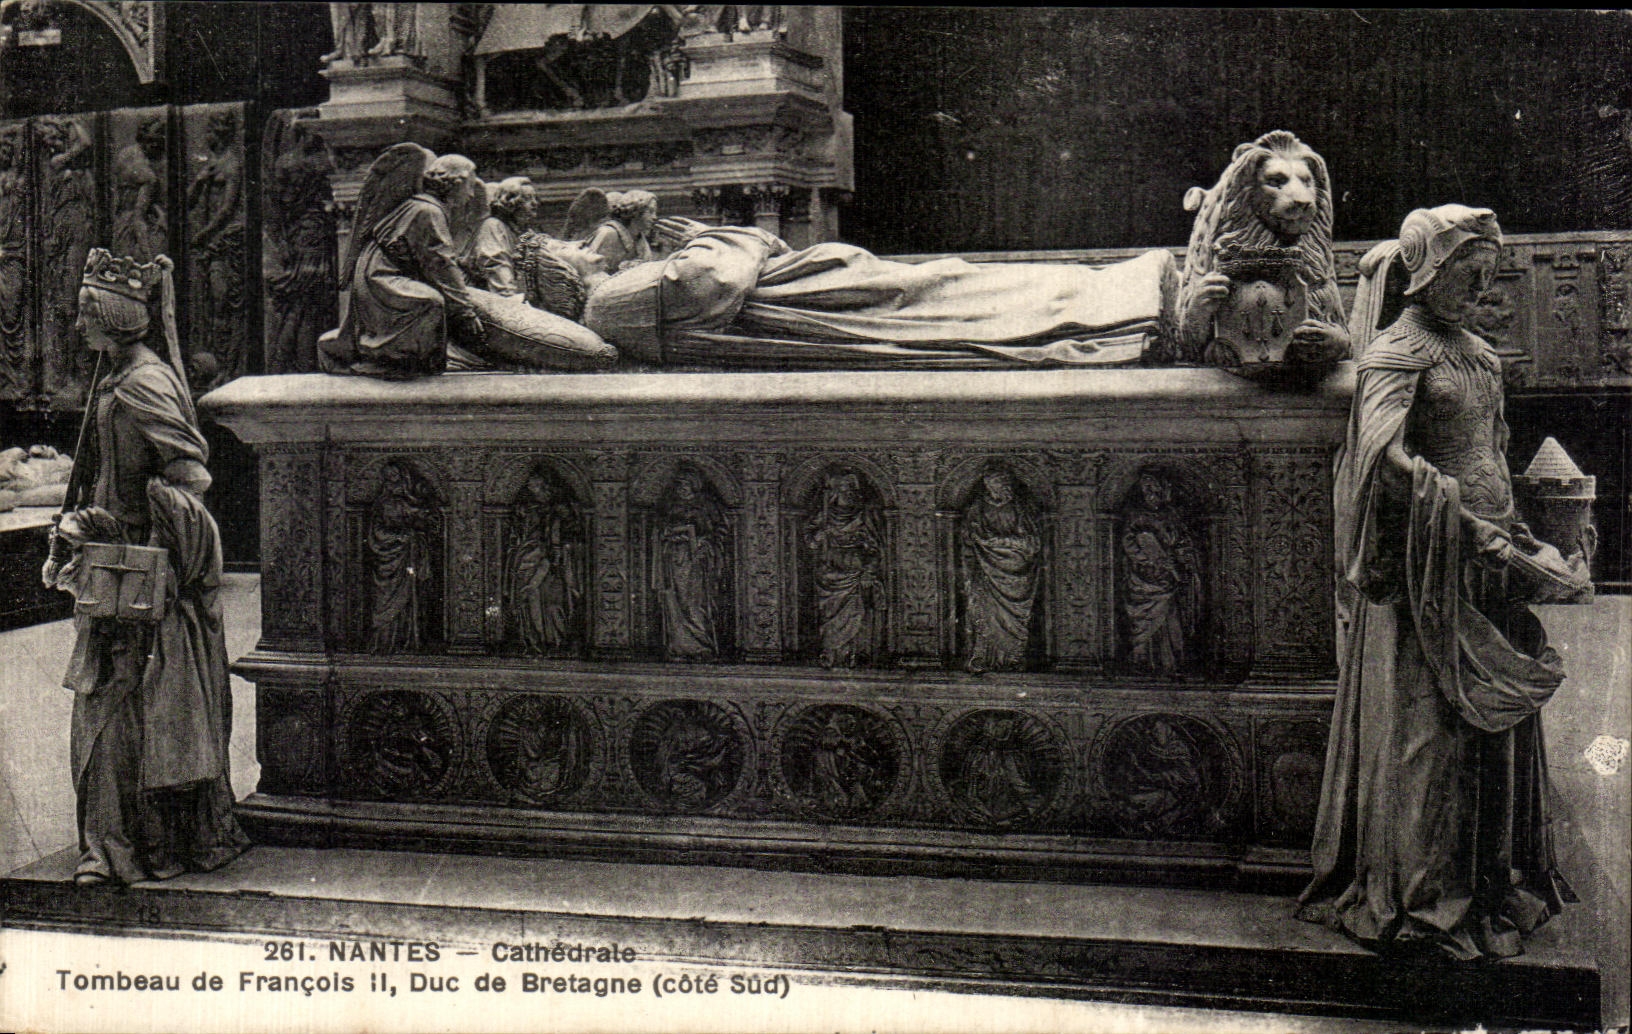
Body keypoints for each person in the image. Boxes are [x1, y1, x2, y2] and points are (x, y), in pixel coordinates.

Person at [1297, 206, 1583, 961]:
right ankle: (1427, 894)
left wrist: (1515, 531)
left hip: (1490, 565)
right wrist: (1460, 520)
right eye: (1468, 273)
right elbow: (1382, 457)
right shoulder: (1395, 353)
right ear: (1426, 270)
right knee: (1428, 737)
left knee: (1487, 734)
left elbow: (1492, 451)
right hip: (1428, 567)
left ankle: (1489, 882)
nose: (1481, 289)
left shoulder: (1481, 356)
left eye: (1488, 275)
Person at [40, 248, 249, 886]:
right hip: (112, 567)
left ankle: (126, 847)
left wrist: (145, 536)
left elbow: (190, 476)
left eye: (86, 313)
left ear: (112, 315)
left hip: (141, 574)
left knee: (127, 705)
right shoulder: (117, 378)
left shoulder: (144, 383)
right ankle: (113, 843)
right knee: (109, 700)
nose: (78, 324)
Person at [550, 217, 1175, 368]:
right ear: (562, 276)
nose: (588, 245)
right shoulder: (604, 304)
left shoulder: (614, 295)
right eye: (572, 248)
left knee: (958, 285)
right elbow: (714, 280)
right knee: (959, 293)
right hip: (814, 303)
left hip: (820, 294)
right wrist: (715, 235)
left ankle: (1112, 296)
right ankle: (1118, 306)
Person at [321, 148, 486, 379]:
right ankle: (393, 359)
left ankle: (407, 358)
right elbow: (442, 265)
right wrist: (465, 312)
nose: (471, 194)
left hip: (379, 273)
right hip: (381, 278)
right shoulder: (427, 210)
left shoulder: (424, 206)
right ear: (453, 183)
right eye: (469, 185)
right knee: (430, 302)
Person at [463, 177, 536, 297]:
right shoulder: (493, 226)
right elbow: (497, 264)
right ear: (510, 202)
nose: (535, 203)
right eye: (527, 199)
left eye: (535, 198)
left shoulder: (524, 232)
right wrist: (510, 298)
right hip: (484, 295)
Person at [582, 189, 657, 273]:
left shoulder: (642, 242)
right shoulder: (608, 234)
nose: (654, 217)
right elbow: (590, 271)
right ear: (635, 211)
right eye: (650, 211)